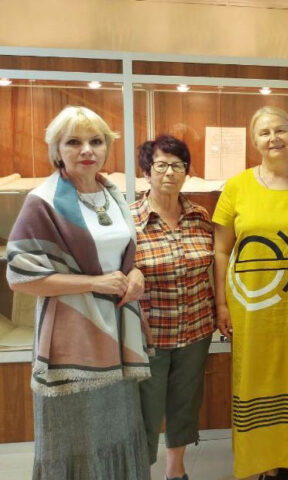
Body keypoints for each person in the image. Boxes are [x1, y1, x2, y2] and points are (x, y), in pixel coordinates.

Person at [6, 106, 151, 479]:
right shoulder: (42, 201)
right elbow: (21, 277)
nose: (87, 150)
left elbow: (122, 256)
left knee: (118, 430)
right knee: (73, 438)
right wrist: (94, 283)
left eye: (96, 141)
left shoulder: (112, 194)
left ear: (106, 148)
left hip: (117, 335)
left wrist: (135, 273)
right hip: (71, 340)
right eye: (74, 142)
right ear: (57, 149)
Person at [212, 106, 288, 480]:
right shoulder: (237, 187)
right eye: (264, 132)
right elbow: (222, 250)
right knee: (256, 377)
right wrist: (221, 303)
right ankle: (263, 462)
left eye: (280, 130)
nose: (273, 138)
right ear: (254, 141)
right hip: (252, 306)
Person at [131, 135, 215, 480]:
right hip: (148, 335)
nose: (169, 173)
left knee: (185, 403)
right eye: (161, 165)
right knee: (145, 410)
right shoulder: (129, 220)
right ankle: (140, 470)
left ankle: (175, 470)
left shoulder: (199, 215)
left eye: (177, 165)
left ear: (186, 172)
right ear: (146, 171)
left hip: (196, 328)